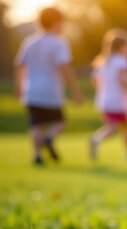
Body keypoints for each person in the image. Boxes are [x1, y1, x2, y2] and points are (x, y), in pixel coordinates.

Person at [14, 7, 83, 165]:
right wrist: (75, 90)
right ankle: (49, 138)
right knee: (60, 122)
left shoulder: (30, 42)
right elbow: (64, 67)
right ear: (56, 23)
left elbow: (20, 65)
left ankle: (37, 155)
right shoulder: (59, 43)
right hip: (50, 91)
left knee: (36, 124)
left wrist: (19, 86)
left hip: (31, 90)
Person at [90, 28, 127, 161]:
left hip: (104, 100)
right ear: (122, 47)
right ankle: (97, 139)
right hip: (118, 101)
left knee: (120, 126)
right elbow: (123, 80)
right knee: (123, 127)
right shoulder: (122, 61)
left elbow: (95, 82)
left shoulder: (102, 62)